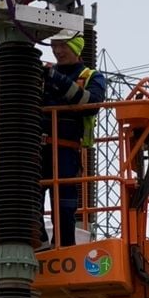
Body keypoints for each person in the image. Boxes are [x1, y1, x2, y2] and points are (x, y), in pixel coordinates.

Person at [38, 32, 107, 250]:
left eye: (62, 46)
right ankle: (38, 241)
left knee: (65, 204)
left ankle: (64, 246)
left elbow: (92, 103)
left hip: (67, 150)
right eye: (54, 45)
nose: (57, 51)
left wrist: (56, 79)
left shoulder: (91, 76)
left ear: (76, 47)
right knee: (31, 197)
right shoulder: (45, 74)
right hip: (38, 148)